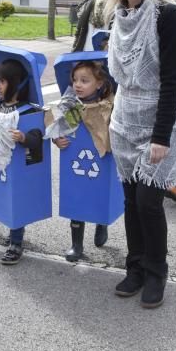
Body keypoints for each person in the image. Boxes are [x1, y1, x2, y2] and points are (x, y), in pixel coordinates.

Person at [100, 0, 176, 309]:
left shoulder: (169, 16)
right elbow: (117, 76)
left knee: (149, 202)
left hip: (161, 120)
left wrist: (161, 136)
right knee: (130, 201)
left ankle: (156, 271)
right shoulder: (120, 15)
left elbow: (173, 81)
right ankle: (134, 266)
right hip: (126, 119)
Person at [50, 60, 113, 261]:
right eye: (75, 80)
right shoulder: (71, 107)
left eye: (84, 81)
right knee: (75, 198)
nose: (77, 84)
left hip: (100, 162)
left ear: (100, 83)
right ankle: (76, 244)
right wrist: (56, 139)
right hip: (74, 163)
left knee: (98, 195)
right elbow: (57, 128)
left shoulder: (107, 107)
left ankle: (101, 222)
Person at [0, 59, 45, 265]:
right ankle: (13, 230)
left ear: (17, 83)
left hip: (20, 164)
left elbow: (38, 138)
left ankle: (16, 242)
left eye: (3, 81)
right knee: (4, 195)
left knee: (16, 199)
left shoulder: (28, 110)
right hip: (1, 162)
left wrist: (23, 138)